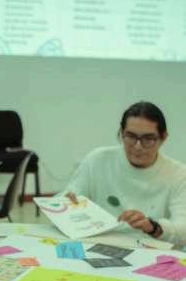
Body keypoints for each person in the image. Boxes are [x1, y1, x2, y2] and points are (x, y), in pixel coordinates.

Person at [64, 101, 186, 247]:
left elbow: (183, 230)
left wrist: (153, 227)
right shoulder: (97, 160)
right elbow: (67, 200)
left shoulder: (178, 174)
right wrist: (65, 203)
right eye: (131, 136)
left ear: (163, 138)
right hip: (101, 245)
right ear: (122, 133)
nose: (138, 146)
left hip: (152, 251)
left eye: (148, 139)